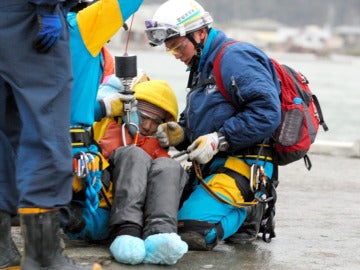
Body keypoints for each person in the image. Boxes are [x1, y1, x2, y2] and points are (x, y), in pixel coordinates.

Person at [145, 0, 282, 250]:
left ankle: (251, 213)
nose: (176, 56)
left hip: (245, 164)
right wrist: (181, 134)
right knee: (158, 220)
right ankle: (233, 213)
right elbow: (199, 125)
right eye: (170, 50)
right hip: (212, 166)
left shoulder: (235, 57)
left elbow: (267, 112)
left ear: (200, 33)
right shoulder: (201, 66)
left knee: (193, 232)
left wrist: (220, 139)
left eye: (178, 47)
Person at [0, 0, 102, 269]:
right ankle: (43, 257)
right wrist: (47, 8)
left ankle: (1, 251)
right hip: (30, 17)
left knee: (4, 132)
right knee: (44, 127)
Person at [65, 78, 188, 266]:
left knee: (169, 166)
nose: (147, 126)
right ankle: (126, 232)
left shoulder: (158, 146)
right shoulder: (105, 126)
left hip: (144, 211)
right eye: (144, 117)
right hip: (107, 203)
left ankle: (161, 235)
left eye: (155, 122)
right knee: (134, 155)